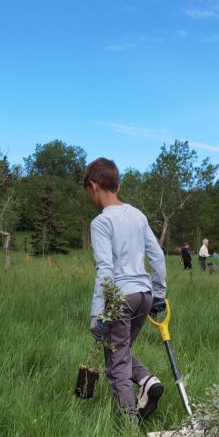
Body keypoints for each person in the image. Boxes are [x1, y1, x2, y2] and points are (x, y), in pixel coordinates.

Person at [84, 157, 167, 422]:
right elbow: (158, 256)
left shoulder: (101, 222)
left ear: (93, 186)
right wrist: (160, 294)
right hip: (144, 295)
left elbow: (105, 269)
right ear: (117, 186)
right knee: (119, 352)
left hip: (120, 297)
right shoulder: (138, 215)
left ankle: (130, 427)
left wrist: (97, 312)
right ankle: (147, 381)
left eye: (89, 192)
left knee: (117, 362)